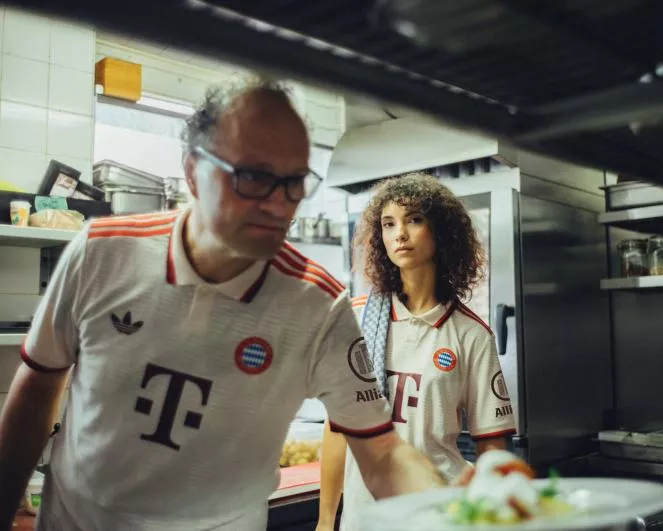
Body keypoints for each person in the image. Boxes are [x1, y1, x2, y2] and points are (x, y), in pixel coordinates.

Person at [0, 78, 446, 531]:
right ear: (193, 172)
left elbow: (383, 452)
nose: (279, 204)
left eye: (293, 183)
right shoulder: (102, 252)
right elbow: (38, 386)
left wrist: (463, 512)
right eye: (254, 177)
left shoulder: (318, 305)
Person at [317, 173, 517, 531]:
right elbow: (337, 429)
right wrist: (325, 520)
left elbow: (493, 449)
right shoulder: (355, 320)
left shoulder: (471, 335)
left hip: (439, 515)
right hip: (365, 517)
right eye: (388, 224)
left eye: (414, 220)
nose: (400, 235)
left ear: (441, 232)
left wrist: (490, 515)